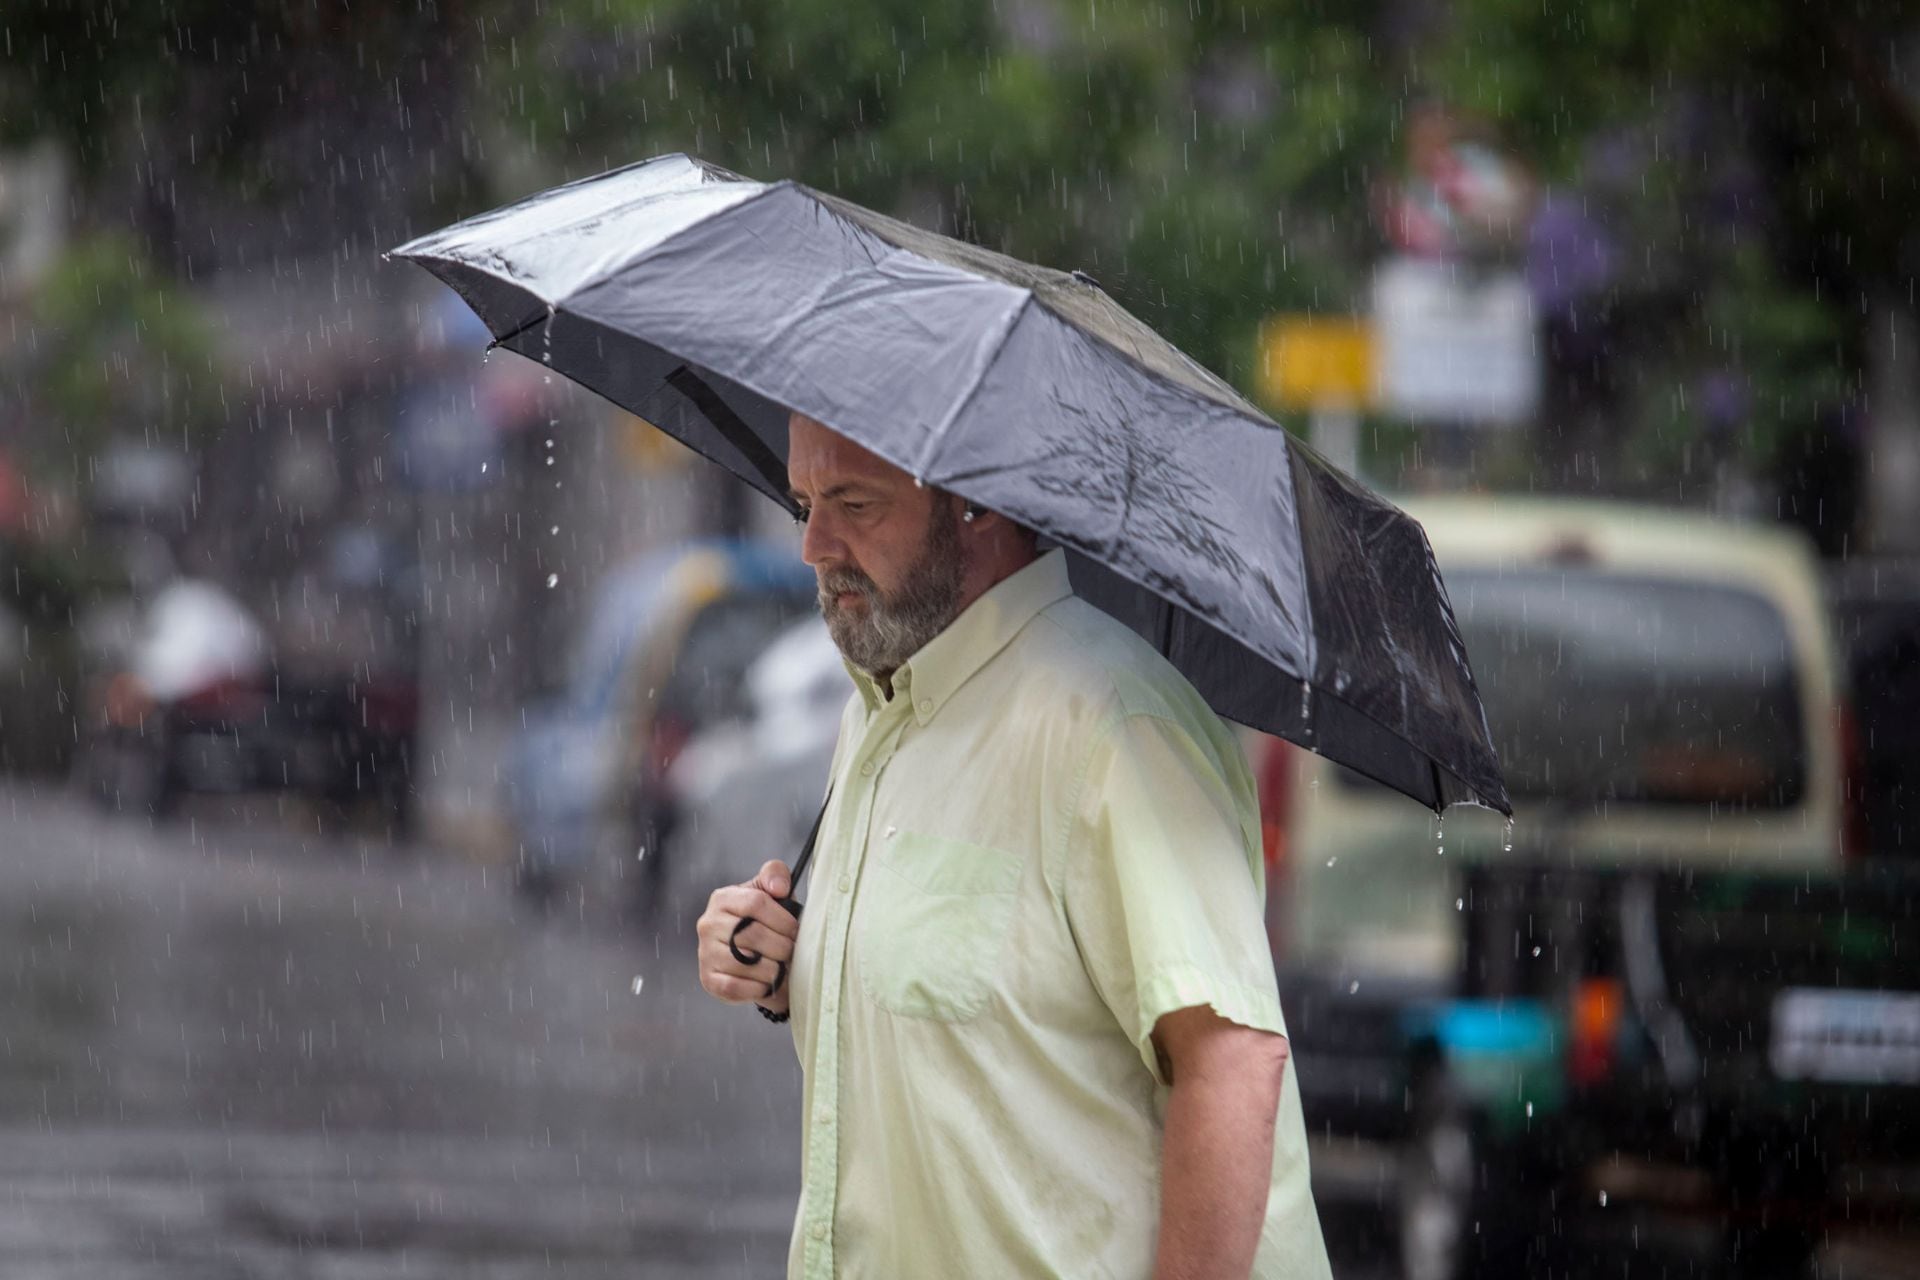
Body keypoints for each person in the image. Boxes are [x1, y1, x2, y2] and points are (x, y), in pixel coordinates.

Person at [697, 412, 1331, 1280]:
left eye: (852, 502)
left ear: (977, 504)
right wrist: (791, 962)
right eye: (804, 501)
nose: (814, 544)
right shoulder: (878, 712)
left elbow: (1232, 1061)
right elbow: (976, 994)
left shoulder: (1113, 722)